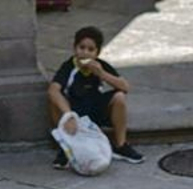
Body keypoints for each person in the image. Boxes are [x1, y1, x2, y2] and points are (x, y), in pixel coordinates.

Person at [47, 26, 144, 167]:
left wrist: (102, 74)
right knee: (53, 99)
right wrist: (69, 114)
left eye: (90, 50)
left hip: (95, 110)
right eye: (81, 48)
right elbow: (53, 90)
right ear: (75, 48)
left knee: (119, 97)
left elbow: (125, 86)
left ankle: (121, 145)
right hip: (75, 113)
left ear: (97, 52)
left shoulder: (100, 66)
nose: (85, 53)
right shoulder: (69, 67)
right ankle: (65, 148)